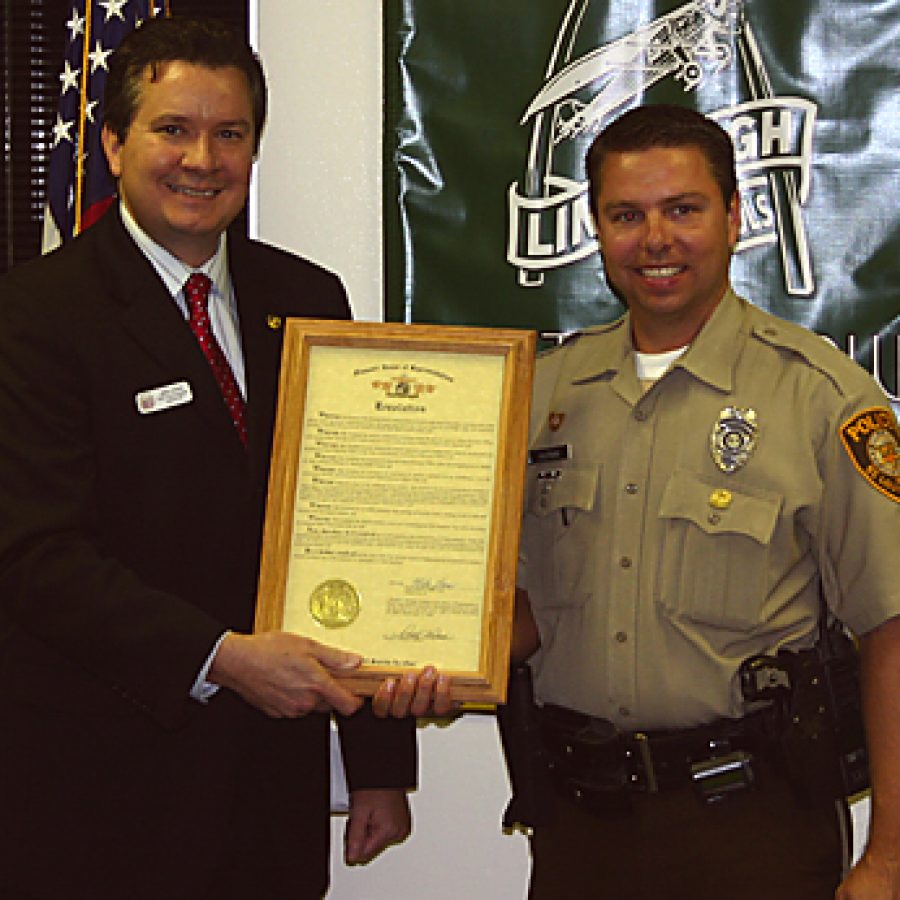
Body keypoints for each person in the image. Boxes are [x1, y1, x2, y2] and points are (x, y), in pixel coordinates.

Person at [0, 16, 448, 900]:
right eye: (173, 129)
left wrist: (377, 763)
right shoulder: (34, 315)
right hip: (98, 798)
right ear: (114, 143)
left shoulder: (309, 299)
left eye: (229, 134)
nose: (202, 158)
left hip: (269, 800)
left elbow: (356, 526)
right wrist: (220, 656)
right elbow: (35, 556)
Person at [513, 104, 900, 899]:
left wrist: (889, 855)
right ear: (596, 228)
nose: (655, 240)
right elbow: (512, 612)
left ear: (732, 217)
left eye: (682, 209)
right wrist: (417, 656)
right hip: (582, 829)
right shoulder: (540, 396)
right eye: (627, 215)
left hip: (753, 830)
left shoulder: (821, 400)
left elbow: (890, 633)